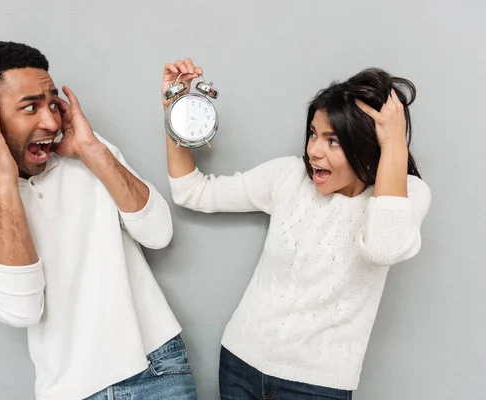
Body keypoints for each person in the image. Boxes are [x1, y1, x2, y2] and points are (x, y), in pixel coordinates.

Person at [0, 41, 198, 400]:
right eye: (31, 107)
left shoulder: (89, 150)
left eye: (52, 103)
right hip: (71, 391)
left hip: (157, 365)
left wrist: (92, 151)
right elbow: (21, 307)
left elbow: (158, 234)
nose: (52, 121)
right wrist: (3, 178)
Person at [161, 59, 431, 399]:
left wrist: (393, 145)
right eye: (314, 134)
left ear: (366, 145)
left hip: (316, 386)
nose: (314, 150)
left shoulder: (408, 194)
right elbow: (191, 192)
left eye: (333, 141)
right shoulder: (289, 178)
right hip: (240, 362)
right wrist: (176, 112)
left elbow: (383, 247)